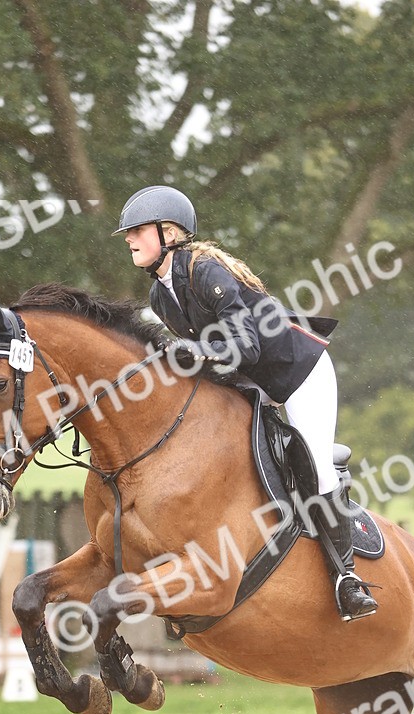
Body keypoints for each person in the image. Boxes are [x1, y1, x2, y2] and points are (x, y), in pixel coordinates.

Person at [113, 185, 377, 621]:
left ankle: (347, 579)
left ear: (169, 233)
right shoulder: (161, 296)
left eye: (138, 230)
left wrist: (193, 353)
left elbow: (246, 346)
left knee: (315, 464)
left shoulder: (205, 270)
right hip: (252, 383)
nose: (129, 239)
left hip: (299, 375)